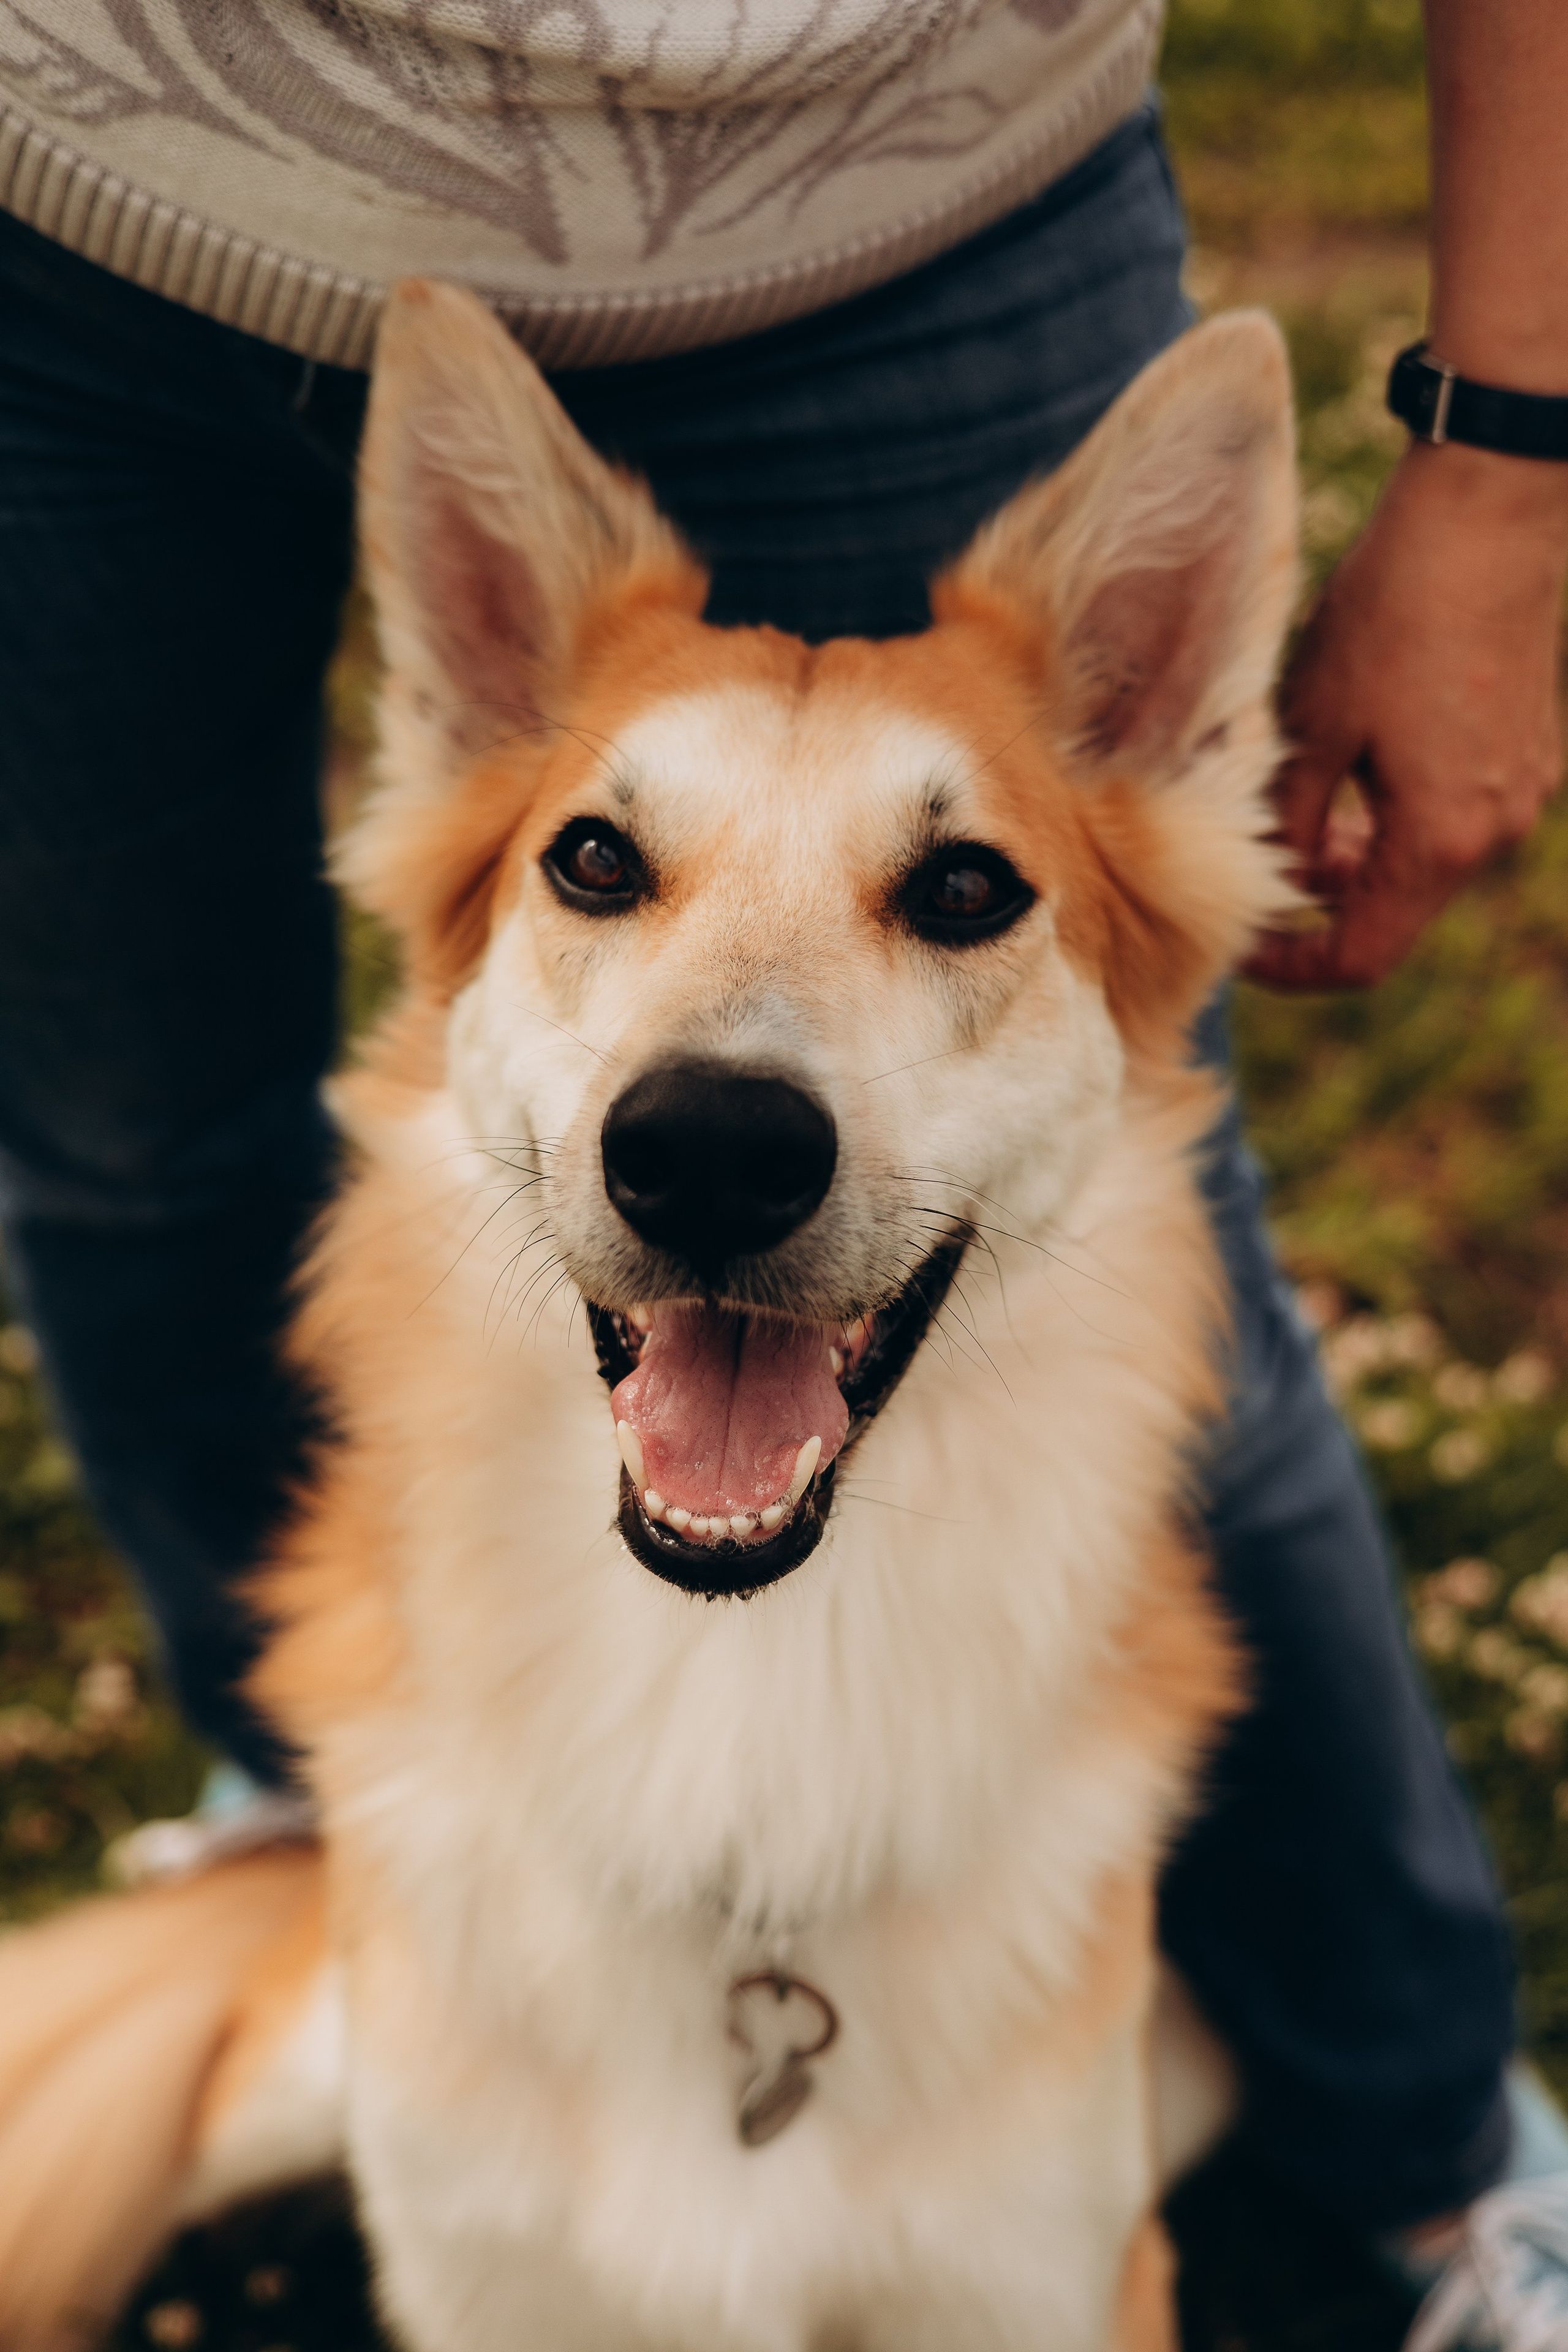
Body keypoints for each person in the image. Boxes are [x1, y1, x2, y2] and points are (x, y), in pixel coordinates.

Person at [0, 4, 1565, 2343]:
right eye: (609, 867)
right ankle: (319, 1860)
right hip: (70, 193)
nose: (724, 1078)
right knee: (126, 1148)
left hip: (905, 160)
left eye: (953, 905)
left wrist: (1515, 461)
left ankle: (1439, 2144)